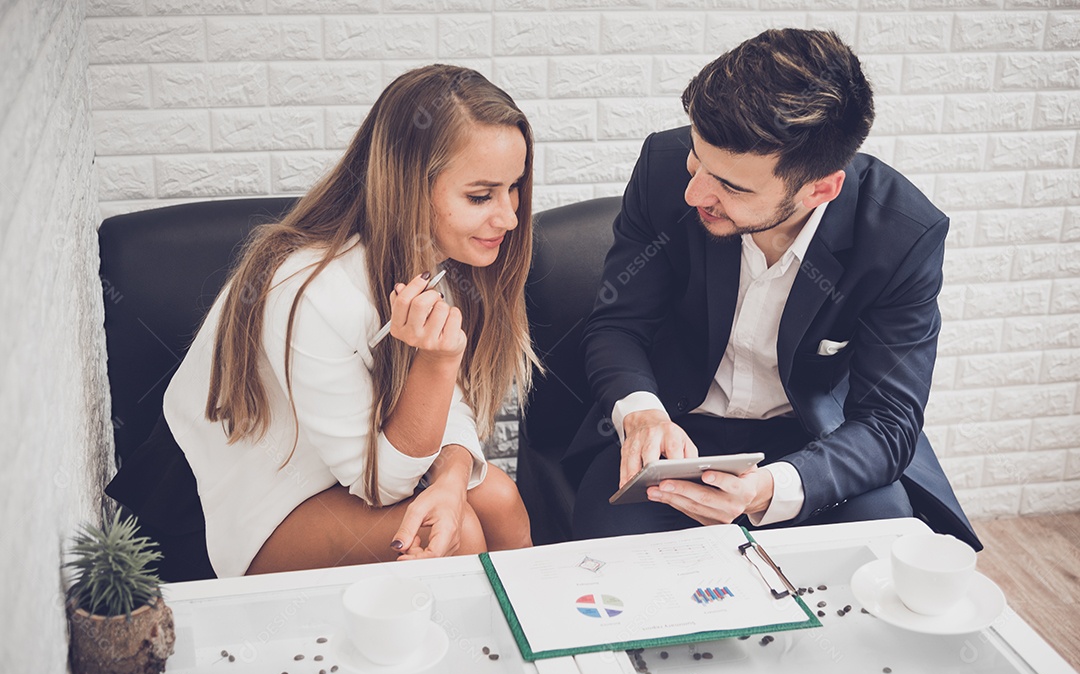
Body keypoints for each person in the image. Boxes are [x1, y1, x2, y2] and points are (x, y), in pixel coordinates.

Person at [106, 64, 539, 580]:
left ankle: (534, 644)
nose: (510, 217)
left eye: (513, 189)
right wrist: (438, 362)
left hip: (339, 471)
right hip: (230, 505)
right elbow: (381, 485)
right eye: (480, 195)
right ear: (407, 184)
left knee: (500, 498)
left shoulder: (434, 257)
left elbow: (450, 410)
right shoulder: (307, 290)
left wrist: (449, 478)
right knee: (454, 533)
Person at [567, 29, 980, 549]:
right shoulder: (662, 166)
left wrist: (769, 489)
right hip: (674, 427)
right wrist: (643, 412)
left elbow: (888, 420)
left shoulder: (901, 237)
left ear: (821, 188)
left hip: (813, 442)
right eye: (698, 162)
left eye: (732, 187)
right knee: (614, 570)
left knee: (881, 551)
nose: (695, 192)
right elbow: (617, 323)